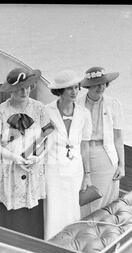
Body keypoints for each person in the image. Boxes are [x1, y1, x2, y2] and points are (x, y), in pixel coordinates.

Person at [0, 67, 52, 239]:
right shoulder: (0, 111)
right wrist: (14, 158)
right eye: (19, 88)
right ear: (11, 90)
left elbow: (47, 138)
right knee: (10, 223)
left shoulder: (40, 108)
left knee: (33, 218)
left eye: (27, 87)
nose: (24, 91)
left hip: (33, 171)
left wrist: (38, 157)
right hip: (9, 172)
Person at [44, 70, 92, 240]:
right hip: (53, 168)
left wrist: (87, 175)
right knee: (54, 209)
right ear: (60, 91)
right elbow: (39, 142)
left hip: (75, 169)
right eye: (69, 89)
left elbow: (85, 144)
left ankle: (72, 242)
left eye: (76, 87)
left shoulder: (84, 113)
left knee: (72, 208)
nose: (75, 92)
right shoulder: (46, 111)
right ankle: (52, 242)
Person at [77, 67, 125, 217]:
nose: (101, 87)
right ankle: (85, 232)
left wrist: (122, 165)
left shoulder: (114, 104)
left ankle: (105, 230)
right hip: (81, 153)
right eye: (97, 84)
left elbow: (118, 137)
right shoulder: (77, 104)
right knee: (84, 195)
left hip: (105, 154)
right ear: (88, 86)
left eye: (103, 83)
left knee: (106, 198)